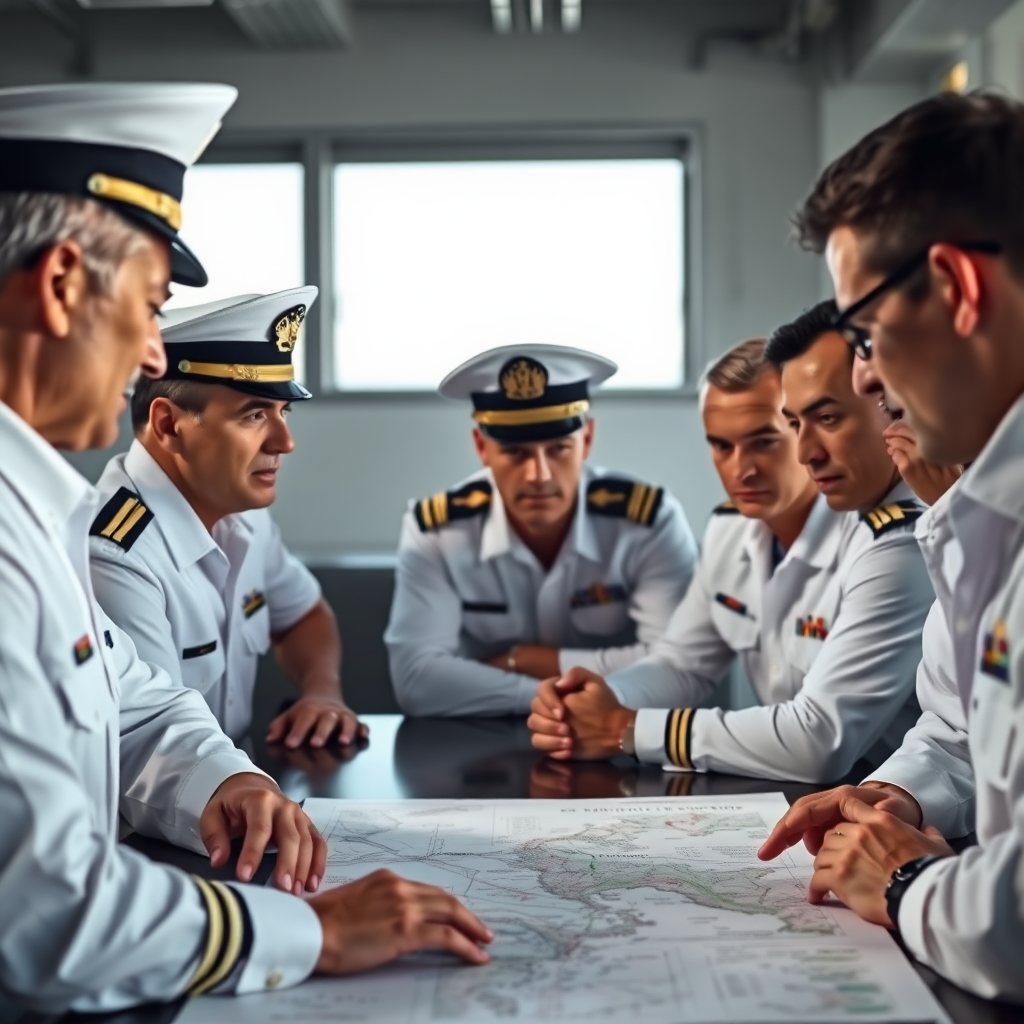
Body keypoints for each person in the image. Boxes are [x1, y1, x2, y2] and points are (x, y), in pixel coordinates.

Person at [0, 84, 489, 1016]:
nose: (152, 354)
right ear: (63, 284)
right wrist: (312, 933)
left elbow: (131, 702)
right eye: (147, 308)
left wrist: (227, 776)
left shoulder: (33, 508)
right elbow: (43, 912)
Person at [758, 90, 1024, 1003]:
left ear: (957, 287)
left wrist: (907, 884)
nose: (867, 372)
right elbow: (958, 730)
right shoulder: (979, 512)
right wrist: (897, 799)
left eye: (865, 331)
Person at [528, 309, 933, 783]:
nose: (741, 470)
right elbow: (684, 664)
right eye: (721, 446)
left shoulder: (895, 540)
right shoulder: (731, 528)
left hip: (902, 812)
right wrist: (589, 703)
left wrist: (627, 727)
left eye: (765, 441)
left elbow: (819, 741)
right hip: (800, 799)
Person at [89, 289, 366, 751]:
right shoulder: (115, 552)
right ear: (169, 426)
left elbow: (305, 614)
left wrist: (322, 691)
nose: (285, 441)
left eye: (282, 412)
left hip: (231, 792)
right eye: (254, 415)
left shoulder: (245, 521)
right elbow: (154, 741)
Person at [385, 344, 698, 716]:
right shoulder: (437, 530)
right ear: (481, 447)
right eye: (515, 453)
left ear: (587, 439)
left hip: (619, 743)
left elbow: (679, 666)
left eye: (559, 448)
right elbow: (416, 680)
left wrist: (523, 659)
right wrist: (550, 700)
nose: (539, 475)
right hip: (481, 749)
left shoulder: (648, 522)